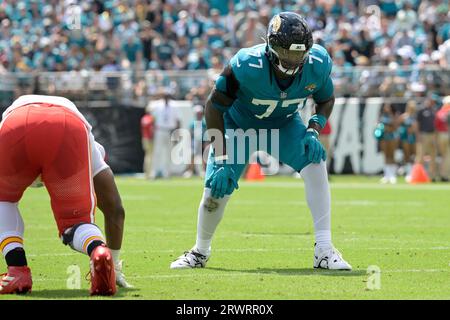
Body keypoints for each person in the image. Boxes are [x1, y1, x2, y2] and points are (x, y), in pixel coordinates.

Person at [171, 12, 351, 270]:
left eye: (299, 54)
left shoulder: (318, 62)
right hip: (238, 125)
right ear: (271, 47)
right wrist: (221, 158)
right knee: (215, 191)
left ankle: (324, 249)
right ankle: (200, 250)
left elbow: (326, 99)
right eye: (286, 53)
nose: (293, 60)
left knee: (315, 162)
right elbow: (213, 107)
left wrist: (314, 128)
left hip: (283, 124)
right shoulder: (246, 64)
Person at [0, 95, 130, 295]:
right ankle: (97, 250)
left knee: (3, 202)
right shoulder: (91, 148)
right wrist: (113, 264)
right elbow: (116, 209)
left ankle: (17, 270)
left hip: (16, 122)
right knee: (76, 220)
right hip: (69, 126)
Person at [150, 92, 181, 179]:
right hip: (160, 129)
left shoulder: (174, 105)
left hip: (170, 130)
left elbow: (178, 120)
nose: (166, 97)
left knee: (168, 152)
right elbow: (153, 119)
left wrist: (177, 133)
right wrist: (152, 130)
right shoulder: (158, 105)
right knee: (157, 151)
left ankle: (166, 172)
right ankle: (154, 172)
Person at [376, 103, 399, 184]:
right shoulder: (382, 115)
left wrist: (390, 114)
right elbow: (378, 124)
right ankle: (387, 175)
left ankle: (393, 175)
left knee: (392, 155)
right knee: (386, 155)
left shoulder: (394, 115)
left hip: (392, 137)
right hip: (384, 137)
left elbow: (395, 125)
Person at [416, 96, 438, 181]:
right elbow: (417, 123)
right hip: (423, 134)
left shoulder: (434, 110)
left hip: (432, 135)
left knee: (433, 156)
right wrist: (418, 135)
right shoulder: (421, 110)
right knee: (420, 156)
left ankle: (431, 176)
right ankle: (418, 176)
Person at [184, 105, 208, 178]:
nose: (199, 115)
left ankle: (203, 171)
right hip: (194, 141)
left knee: (204, 157)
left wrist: (205, 142)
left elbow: (206, 133)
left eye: (200, 113)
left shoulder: (204, 123)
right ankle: (190, 171)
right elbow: (190, 133)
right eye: (197, 113)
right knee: (192, 156)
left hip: (202, 142)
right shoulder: (192, 123)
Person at [397, 100, 418, 182]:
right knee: (407, 154)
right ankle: (408, 172)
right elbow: (398, 126)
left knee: (415, 155)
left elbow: (417, 128)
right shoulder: (404, 117)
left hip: (413, 138)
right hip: (406, 137)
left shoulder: (415, 117)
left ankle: (414, 172)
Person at [434, 96, 450, 182]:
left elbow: (436, 126)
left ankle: (440, 173)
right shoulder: (447, 112)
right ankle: (445, 175)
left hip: (440, 135)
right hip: (446, 134)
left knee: (442, 156)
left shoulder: (439, 112)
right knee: (447, 156)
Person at [141, 107, 155, 179]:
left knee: (147, 155)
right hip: (149, 139)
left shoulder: (143, 118)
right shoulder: (150, 118)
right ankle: (149, 173)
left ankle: (146, 173)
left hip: (144, 138)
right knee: (149, 156)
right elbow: (151, 129)